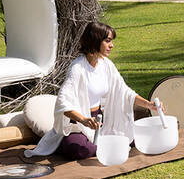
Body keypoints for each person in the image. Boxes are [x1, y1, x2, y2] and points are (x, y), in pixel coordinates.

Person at [26, 21, 159, 161]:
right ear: (95, 40)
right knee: (79, 150)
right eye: (107, 41)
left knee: (129, 137)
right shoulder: (78, 68)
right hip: (78, 123)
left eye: (111, 41)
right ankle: (62, 143)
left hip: (99, 120)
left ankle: (105, 143)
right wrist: (84, 120)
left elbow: (124, 92)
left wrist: (148, 104)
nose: (111, 45)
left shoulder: (106, 65)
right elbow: (63, 103)